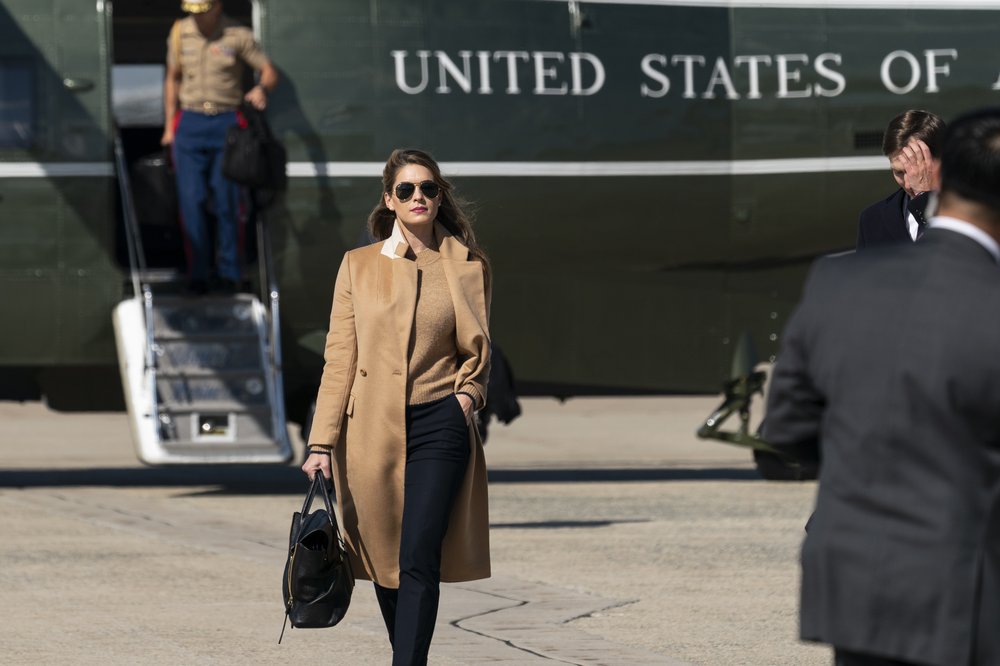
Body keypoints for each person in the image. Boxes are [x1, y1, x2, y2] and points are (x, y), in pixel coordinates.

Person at [764, 108, 1000, 666]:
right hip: (964, 573)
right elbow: (927, 291)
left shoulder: (832, 281)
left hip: (859, 566)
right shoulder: (885, 230)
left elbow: (788, 430)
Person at [302, 149, 492, 665]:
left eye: (428, 188)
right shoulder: (358, 266)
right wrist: (321, 443)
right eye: (406, 190)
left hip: (440, 423)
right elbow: (340, 358)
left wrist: (466, 397)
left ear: (440, 196)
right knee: (385, 560)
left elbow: (478, 350)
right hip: (370, 428)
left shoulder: (467, 266)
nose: (418, 198)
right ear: (389, 200)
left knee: (418, 554)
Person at [161, 0, 279, 294]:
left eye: (203, 10)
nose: (197, 17)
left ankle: (229, 272)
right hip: (189, 121)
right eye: (192, 11)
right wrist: (169, 127)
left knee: (228, 201)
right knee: (191, 200)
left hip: (227, 122)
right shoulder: (179, 32)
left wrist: (261, 88)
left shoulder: (237, 35)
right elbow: (172, 79)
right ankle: (197, 274)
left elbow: (268, 71)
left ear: (217, 6)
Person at [857, 110, 945, 250]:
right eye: (899, 172)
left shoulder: (972, 212)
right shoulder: (873, 219)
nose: (909, 184)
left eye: (916, 171)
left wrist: (924, 196)